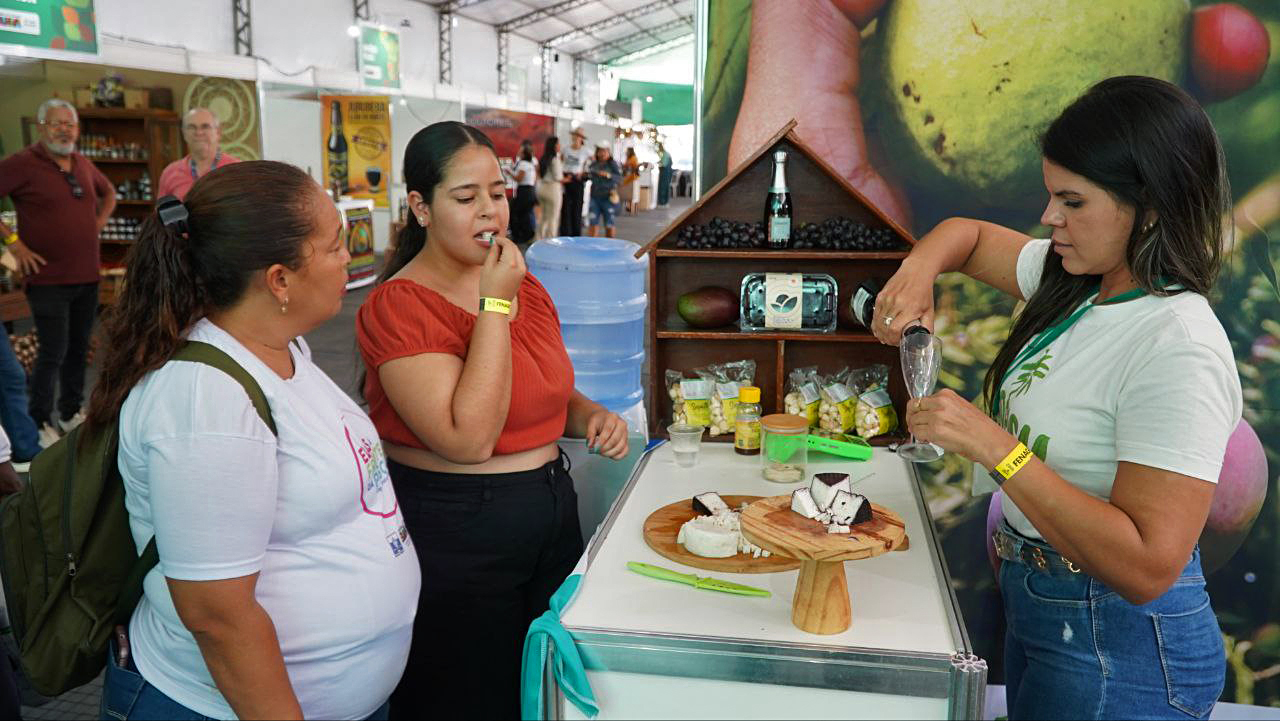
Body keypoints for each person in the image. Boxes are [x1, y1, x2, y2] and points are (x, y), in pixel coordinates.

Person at [873, 76, 1239, 720]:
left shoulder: (1178, 346)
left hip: (1121, 650)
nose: (1050, 218)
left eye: (1073, 201)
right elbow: (968, 236)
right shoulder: (1076, 282)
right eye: (1051, 196)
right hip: (1043, 606)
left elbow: (1147, 567)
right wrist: (918, 272)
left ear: (1152, 206)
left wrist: (995, 448)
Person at [87, 161, 420, 720]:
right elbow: (217, 615)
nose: (349, 257)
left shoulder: (279, 348)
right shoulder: (207, 402)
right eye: (334, 245)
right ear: (279, 280)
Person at [355, 121, 630, 720]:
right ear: (420, 208)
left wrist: (589, 414)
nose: (490, 211)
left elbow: (540, 388)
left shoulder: (525, 287)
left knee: (544, 689)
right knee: (466, 697)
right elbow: (468, 438)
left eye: (498, 194)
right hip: (459, 528)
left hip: (549, 507)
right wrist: (495, 303)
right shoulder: (400, 305)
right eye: (465, 197)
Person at [0, 98, 116, 446]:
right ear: (41, 127)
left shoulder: (82, 163)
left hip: (87, 275)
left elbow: (109, 193)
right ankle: (38, 421)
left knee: (79, 349)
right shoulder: (23, 163)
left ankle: (69, 412)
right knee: (53, 351)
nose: (64, 130)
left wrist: (97, 223)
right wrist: (15, 245)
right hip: (48, 279)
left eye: (70, 123)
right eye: (56, 123)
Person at [156, 107, 242, 201]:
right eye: (191, 127)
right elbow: (162, 209)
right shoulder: (170, 172)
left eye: (205, 126)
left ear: (218, 132)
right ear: (184, 134)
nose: (199, 132)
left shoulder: (237, 169)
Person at [586, 142, 622, 238]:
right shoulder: (593, 164)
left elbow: (619, 178)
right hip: (595, 197)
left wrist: (608, 175)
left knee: (609, 223)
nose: (602, 154)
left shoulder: (613, 164)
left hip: (608, 197)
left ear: (608, 152)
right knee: (593, 222)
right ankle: (591, 244)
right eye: (600, 151)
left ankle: (610, 244)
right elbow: (588, 175)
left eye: (604, 151)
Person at [559, 127, 590, 236]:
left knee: (577, 208)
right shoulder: (566, 149)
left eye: (579, 136)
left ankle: (576, 234)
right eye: (575, 135)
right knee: (565, 207)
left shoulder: (586, 151)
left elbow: (590, 164)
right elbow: (560, 162)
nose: (576, 137)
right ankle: (565, 233)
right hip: (566, 178)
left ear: (582, 138)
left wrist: (584, 173)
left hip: (577, 180)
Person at [509, 139, 538, 245]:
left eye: (520, 151)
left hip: (524, 191)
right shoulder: (530, 164)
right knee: (526, 214)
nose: (518, 152)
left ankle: (518, 236)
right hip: (530, 190)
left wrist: (509, 172)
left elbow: (519, 179)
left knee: (516, 213)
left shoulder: (523, 164)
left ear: (524, 154)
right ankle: (528, 235)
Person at [536, 136, 564, 240]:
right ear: (554, 146)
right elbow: (558, 177)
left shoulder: (543, 158)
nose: (560, 146)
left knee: (543, 217)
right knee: (553, 218)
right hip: (553, 189)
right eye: (558, 143)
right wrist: (569, 178)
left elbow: (539, 174)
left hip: (542, 188)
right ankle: (551, 241)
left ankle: (538, 239)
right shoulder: (555, 159)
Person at [656, 142, 673, 207]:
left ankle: (662, 203)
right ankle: (665, 202)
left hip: (665, 174)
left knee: (663, 188)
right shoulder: (666, 154)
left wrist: (659, 164)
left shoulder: (665, 154)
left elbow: (664, 164)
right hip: (667, 174)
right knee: (665, 188)